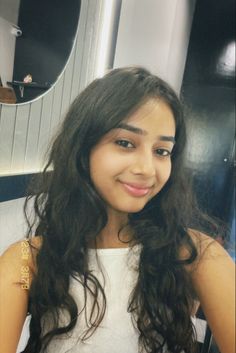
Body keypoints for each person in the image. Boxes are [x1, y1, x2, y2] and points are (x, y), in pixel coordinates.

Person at [0, 67, 234, 353]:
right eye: (125, 143)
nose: (147, 169)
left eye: (162, 151)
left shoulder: (195, 255)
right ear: (82, 147)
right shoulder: (28, 259)